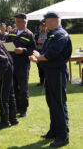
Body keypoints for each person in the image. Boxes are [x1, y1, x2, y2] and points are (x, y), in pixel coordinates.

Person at [30, 12, 72, 147]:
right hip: (50, 72)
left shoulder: (60, 35)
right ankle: (54, 131)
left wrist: (38, 56)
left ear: (54, 20)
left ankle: (63, 136)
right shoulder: (52, 33)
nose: (44, 24)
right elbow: (46, 54)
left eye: (46, 21)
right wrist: (39, 57)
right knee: (52, 104)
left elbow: (50, 54)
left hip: (57, 73)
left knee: (58, 104)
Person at [6, 13, 36, 117]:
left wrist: (23, 50)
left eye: (19, 21)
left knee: (23, 87)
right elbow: (7, 43)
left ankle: (23, 109)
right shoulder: (12, 32)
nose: (17, 23)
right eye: (16, 21)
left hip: (23, 64)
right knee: (13, 87)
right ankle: (15, 108)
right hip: (12, 63)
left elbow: (33, 50)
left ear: (25, 22)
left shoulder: (29, 34)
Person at [35, 20, 47, 86]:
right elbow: (33, 43)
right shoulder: (37, 34)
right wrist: (37, 41)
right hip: (39, 52)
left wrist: (43, 42)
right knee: (39, 67)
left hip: (46, 52)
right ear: (39, 27)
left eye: (44, 26)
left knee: (45, 67)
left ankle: (46, 81)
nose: (43, 27)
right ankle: (41, 81)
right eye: (42, 26)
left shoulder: (49, 33)